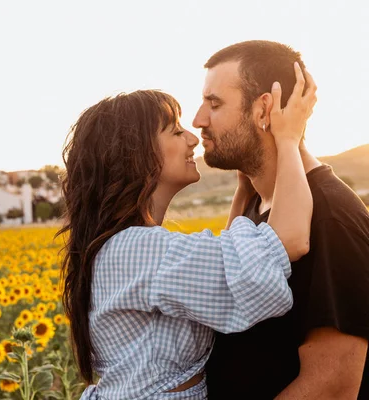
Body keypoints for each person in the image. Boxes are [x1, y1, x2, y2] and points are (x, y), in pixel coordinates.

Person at [57, 63, 316, 399]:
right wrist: (288, 138)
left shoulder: (122, 245)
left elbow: (224, 266)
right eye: (176, 131)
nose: (193, 137)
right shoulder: (137, 248)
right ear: (137, 155)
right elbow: (287, 242)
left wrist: (243, 193)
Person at [194, 40, 369, 399]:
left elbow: (332, 386)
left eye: (214, 104)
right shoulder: (255, 203)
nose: (198, 120)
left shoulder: (331, 216)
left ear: (265, 109)